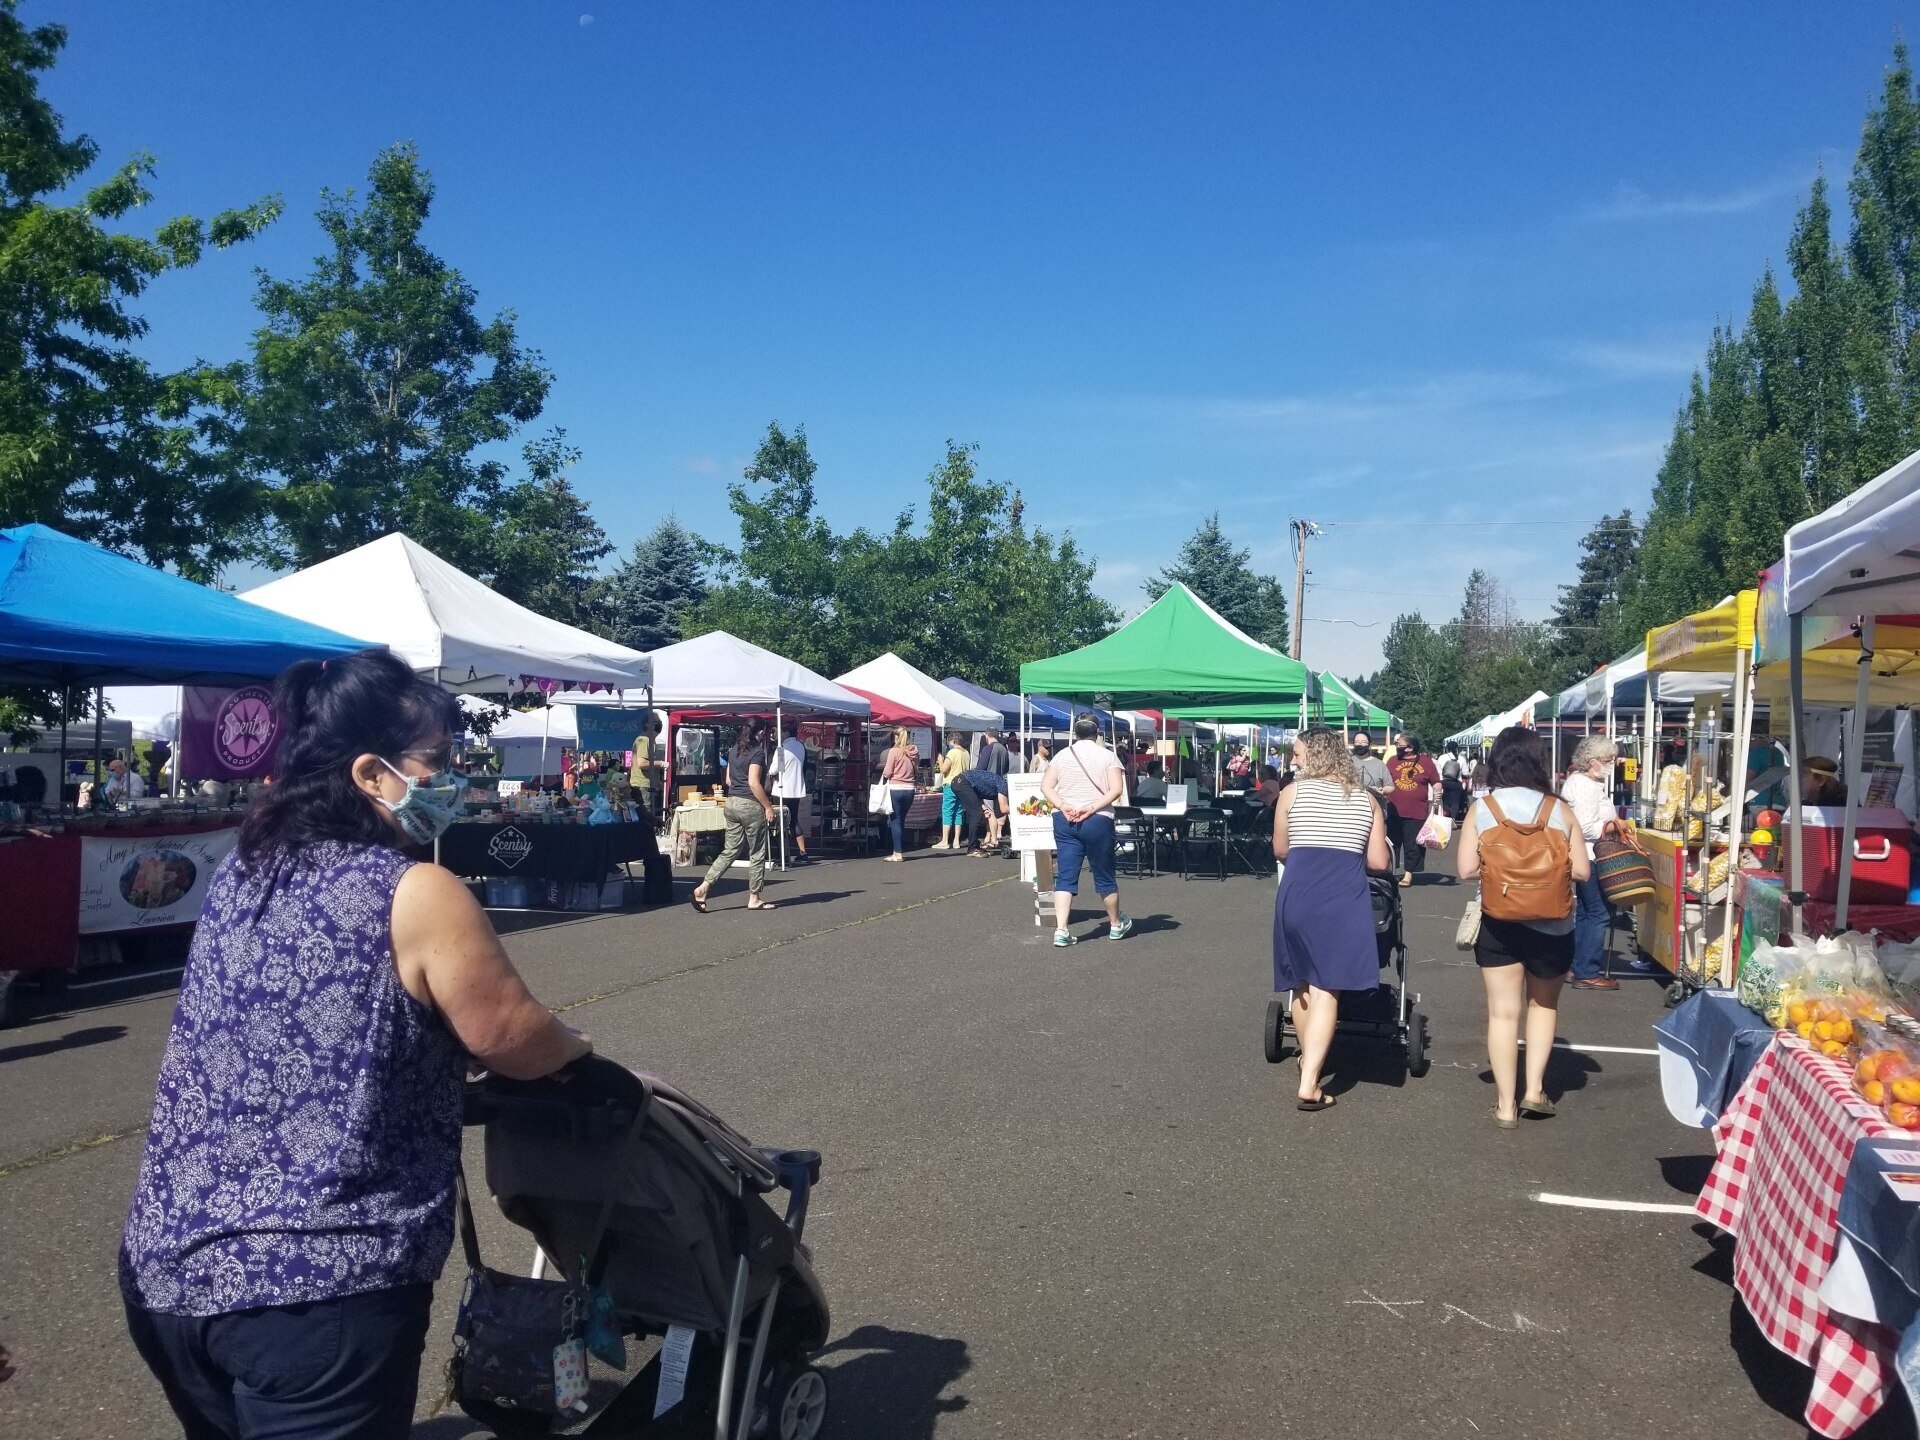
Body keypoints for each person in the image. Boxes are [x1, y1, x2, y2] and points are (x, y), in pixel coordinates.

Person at [118, 650, 590, 1439]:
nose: (454, 781)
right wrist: (578, 1050)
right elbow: (509, 1034)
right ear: (372, 775)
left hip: (168, 1265)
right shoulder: (415, 890)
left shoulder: (247, 868)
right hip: (316, 1287)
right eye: (438, 763)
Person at [1457, 726, 1590, 1129]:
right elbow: (1582, 871)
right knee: (1543, 1006)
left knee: (1502, 1014)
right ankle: (1534, 1091)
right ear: (1537, 761)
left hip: (1499, 922)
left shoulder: (1483, 809)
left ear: (1498, 759)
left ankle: (1504, 1106)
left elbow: (1465, 869)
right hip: (1553, 924)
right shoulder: (1559, 809)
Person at [1271, 728, 1392, 1113]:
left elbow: (1280, 848)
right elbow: (1379, 862)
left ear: (1315, 756)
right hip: (1342, 896)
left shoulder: (1291, 793)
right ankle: (1310, 1081)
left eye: (1297, 753)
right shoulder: (1367, 800)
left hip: (1297, 893)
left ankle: (1309, 1064)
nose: (1293, 760)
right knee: (1328, 990)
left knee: (1302, 985)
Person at [1042, 713, 1132, 946]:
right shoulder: (1108, 756)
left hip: (1065, 819)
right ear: (1097, 731)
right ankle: (1115, 924)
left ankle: (1061, 929)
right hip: (1098, 819)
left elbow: (1046, 786)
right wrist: (1090, 808)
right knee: (1104, 873)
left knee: (1065, 875)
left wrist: (1063, 806)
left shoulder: (1061, 755)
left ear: (1075, 732)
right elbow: (1116, 790)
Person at [691, 721, 780, 910]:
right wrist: (768, 806)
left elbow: (728, 780)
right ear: (761, 732)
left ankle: (704, 887)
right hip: (750, 805)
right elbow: (754, 784)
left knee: (730, 850)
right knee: (757, 852)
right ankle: (754, 898)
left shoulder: (733, 750)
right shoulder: (756, 753)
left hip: (731, 803)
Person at [1561, 736, 1620, 991]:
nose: (1611, 764)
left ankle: (1578, 964)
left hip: (1584, 855)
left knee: (1586, 911)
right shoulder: (1586, 786)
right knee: (1598, 912)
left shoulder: (1579, 782)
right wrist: (1615, 826)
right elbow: (1583, 826)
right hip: (1592, 855)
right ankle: (1587, 970)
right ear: (1593, 762)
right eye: (1607, 760)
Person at [1384, 733, 1442, 886]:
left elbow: (1436, 782)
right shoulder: (1392, 761)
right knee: (1392, 844)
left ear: (1409, 748)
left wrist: (1437, 800)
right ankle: (1389, 872)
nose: (1397, 747)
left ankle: (1408, 874)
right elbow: (1384, 779)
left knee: (1412, 845)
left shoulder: (1426, 762)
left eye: (1400, 744)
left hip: (1416, 811)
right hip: (1393, 809)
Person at [771, 719, 811, 864]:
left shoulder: (782, 749)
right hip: (797, 789)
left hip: (781, 789)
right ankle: (802, 851)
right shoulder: (801, 746)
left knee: (779, 822)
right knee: (794, 820)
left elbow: (776, 769)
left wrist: (770, 771)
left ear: (785, 732)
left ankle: (783, 852)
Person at [876, 725, 919, 861]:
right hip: (910, 789)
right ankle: (898, 850)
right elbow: (916, 769)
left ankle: (897, 853)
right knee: (902, 821)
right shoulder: (914, 751)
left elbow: (888, 772)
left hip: (896, 788)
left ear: (896, 737)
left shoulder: (894, 752)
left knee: (895, 820)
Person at [957, 765, 1010, 853]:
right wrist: (1019, 810)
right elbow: (1004, 809)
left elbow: (977, 790)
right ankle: (973, 848)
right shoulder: (1003, 785)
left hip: (962, 781)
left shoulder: (997, 783)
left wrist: (983, 806)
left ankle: (981, 843)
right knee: (976, 815)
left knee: (984, 813)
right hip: (964, 782)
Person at [934, 731, 970, 851]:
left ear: (953, 741)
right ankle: (956, 841)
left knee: (947, 811)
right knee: (959, 811)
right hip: (963, 785)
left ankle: (945, 840)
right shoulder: (966, 753)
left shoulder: (952, 752)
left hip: (950, 784)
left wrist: (940, 760)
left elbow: (944, 769)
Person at [627, 712, 663, 819]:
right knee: (646, 817)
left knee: (646, 816)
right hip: (643, 786)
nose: (660, 725)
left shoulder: (648, 740)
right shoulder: (645, 740)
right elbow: (642, 763)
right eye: (657, 722)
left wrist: (657, 780)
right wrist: (661, 763)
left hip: (646, 784)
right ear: (648, 724)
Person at [1439, 744, 1466, 824]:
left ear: (1447, 748)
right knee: (1455, 802)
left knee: (1445, 801)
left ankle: (1446, 819)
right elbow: (1465, 772)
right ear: (1457, 748)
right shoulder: (1461, 758)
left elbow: (1438, 770)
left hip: (1444, 782)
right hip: (1456, 783)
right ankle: (1453, 819)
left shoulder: (1442, 757)